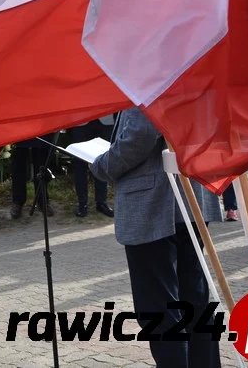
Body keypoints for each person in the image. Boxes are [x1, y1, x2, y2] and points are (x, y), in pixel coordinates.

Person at [90, 107, 221, 368]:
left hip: (154, 199)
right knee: (193, 300)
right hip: (191, 191)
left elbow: (142, 132)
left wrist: (103, 165)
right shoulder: (191, 65)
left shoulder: (148, 66)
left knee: (161, 308)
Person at [70, 116, 115, 218]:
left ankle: (101, 201)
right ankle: (82, 203)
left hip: (105, 118)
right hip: (80, 118)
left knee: (103, 161)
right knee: (79, 162)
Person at [10, 134, 56, 218]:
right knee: (18, 168)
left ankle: (43, 201)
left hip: (40, 129)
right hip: (20, 128)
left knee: (41, 167)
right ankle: (17, 202)